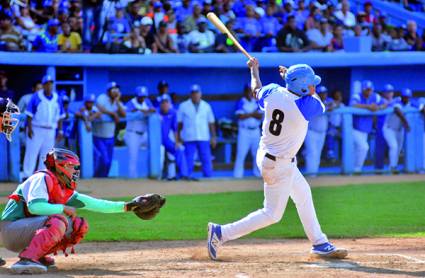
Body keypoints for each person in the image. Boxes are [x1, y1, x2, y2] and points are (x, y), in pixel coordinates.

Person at [207, 58, 348, 260]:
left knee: (303, 194)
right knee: (271, 214)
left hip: (269, 154)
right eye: (310, 83)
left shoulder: (273, 91)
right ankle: (221, 233)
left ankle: (319, 242)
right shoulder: (307, 105)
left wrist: (254, 70)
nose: (313, 86)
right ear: (301, 86)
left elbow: (257, 88)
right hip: (278, 164)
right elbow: (311, 96)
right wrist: (289, 78)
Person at [1, 148, 165, 274]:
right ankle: (26, 260)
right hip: (9, 230)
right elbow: (35, 207)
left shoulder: (63, 188)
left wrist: (128, 206)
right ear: (60, 166)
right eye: (72, 167)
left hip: (23, 231)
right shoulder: (41, 178)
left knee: (78, 225)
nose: (75, 171)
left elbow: (96, 204)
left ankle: (37, 255)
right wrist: (63, 208)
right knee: (59, 220)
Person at [23, 75, 64, 179]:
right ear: (43, 85)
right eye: (47, 84)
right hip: (36, 128)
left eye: (51, 83)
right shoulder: (36, 96)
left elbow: (60, 116)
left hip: (50, 130)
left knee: (46, 155)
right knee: (31, 153)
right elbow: (29, 114)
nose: (49, 86)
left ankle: (41, 178)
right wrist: (30, 128)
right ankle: (26, 176)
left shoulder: (57, 98)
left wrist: (60, 131)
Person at [177, 84, 216, 179]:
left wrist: (213, 137)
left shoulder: (206, 106)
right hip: (189, 137)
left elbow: (211, 123)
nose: (195, 95)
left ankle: (208, 177)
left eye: (197, 93)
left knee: (206, 158)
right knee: (188, 159)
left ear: (200, 94)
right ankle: (186, 176)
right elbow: (179, 124)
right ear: (190, 94)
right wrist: (178, 137)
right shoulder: (183, 106)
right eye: (193, 93)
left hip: (203, 136)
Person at [92, 82, 126, 177]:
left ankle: (104, 180)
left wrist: (118, 100)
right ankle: (97, 178)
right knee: (104, 160)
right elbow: (100, 108)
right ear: (108, 91)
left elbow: (124, 114)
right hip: (99, 136)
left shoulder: (116, 101)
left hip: (110, 136)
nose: (115, 91)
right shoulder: (102, 97)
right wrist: (113, 113)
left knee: (109, 162)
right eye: (113, 89)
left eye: (117, 89)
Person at [350, 80, 384, 173]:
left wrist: (379, 107)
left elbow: (385, 103)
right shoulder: (357, 96)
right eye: (367, 90)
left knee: (358, 149)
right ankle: (357, 169)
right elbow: (353, 105)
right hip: (354, 129)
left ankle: (353, 171)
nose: (369, 92)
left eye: (370, 90)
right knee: (364, 147)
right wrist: (368, 107)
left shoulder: (375, 96)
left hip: (366, 130)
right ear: (363, 90)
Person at [124, 86, 156, 178]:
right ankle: (132, 179)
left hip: (144, 135)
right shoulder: (130, 103)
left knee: (157, 147)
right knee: (133, 158)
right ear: (136, 96)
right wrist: (142, 112)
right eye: (140, 96)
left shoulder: (147, 102)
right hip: (132, 134)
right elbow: (127, 115)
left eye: (144, 96)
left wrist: (141, 111)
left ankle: (155, 174)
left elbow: (153, 110)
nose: (142, 98)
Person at [233, 84, 262, 178]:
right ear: (245, 91)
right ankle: (238, 175)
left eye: (251, 90)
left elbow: (260, 116)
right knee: (241, 153)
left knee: (257, 154)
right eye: (248, 90)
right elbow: (240, 116)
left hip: (255, 131)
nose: (249, 92)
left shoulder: (256, 101)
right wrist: (253, 114)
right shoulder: (241, 102)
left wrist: (248, 114)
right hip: (244, 131)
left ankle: (257, 174)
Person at [158, 95, 188, 180]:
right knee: (160, 155)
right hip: (155, 141)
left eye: (166, 102)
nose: (164, 104)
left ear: (170, 103)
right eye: (163, 102)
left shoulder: (173, 113)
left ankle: (184, 174)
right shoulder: (155, 112)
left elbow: (175, 129)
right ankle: (157, 177)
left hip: (166, 140)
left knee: (179, 149)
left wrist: (177, 141)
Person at [383, 88, 412, 173]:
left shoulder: (410, 104)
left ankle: (393, 167)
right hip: (389, 129)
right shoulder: (397, 101)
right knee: (394, 146)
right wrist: (406, 123)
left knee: (398, 149)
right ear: (401, 96)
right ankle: (392, 167)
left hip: (400, 130)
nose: (406, 98)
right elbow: (397, 111)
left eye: (407, 97)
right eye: (404, 97)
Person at [303, 85, 329, 176]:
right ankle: (311, 174)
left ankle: (314, 174)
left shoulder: (327, 102)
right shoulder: (312, 102)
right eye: (321, 93)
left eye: (324, 93)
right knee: (312, 153)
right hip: (311, 132)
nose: (323, 95)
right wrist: (331, 106)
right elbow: (322, 108)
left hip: (322, 133)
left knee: (317, 154)